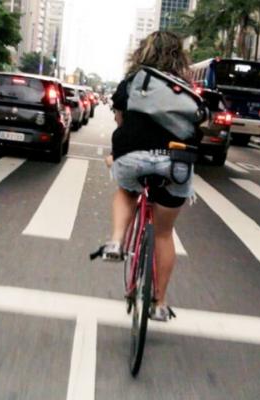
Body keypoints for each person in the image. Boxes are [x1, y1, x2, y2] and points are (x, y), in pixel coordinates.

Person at [100, 31, 196, 322]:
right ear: (179, 57)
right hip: (176, 165)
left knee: (127, 191)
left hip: (134, 158)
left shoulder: (134, 81)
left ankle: (116, 241)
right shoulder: (186, 88)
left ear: (143, 52)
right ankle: (160, 303)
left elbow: (119, 118)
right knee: (165, 234)